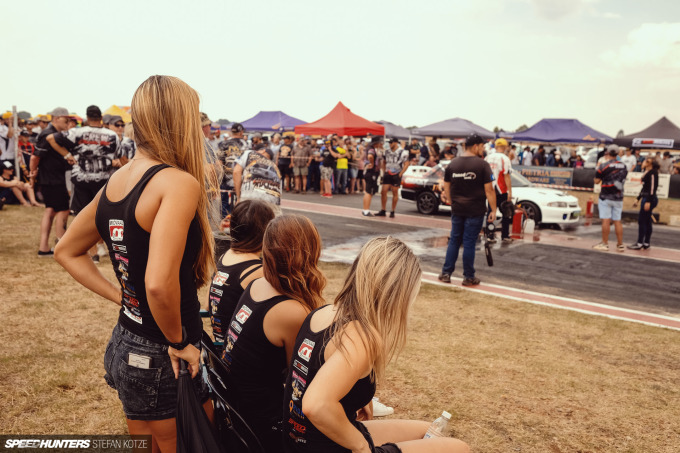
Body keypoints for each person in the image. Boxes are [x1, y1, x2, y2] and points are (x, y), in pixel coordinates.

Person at [54, 75, 217, 452]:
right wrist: (179, 342)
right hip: (164, 351)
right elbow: (158, 284)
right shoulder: (176, 182)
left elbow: (66, 250)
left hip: (127, 340)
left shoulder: (118, 179)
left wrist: (124, 298)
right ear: (180, 119)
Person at [283, 236, 470, 453]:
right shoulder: (360, 336)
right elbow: (315, 404)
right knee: (459, 448)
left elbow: (314, 374)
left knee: (429, 431)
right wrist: (362, 446)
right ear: (396, 294)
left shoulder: (323, 312)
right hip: (326, 445)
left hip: (300, 439)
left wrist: (355, 395)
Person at [222, 215, 326, 452]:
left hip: (236, 408)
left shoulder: (258, 284)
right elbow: (301, 376)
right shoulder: (291, 311)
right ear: (310, 252)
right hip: (261, 425)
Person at [48, 105, 120, 263]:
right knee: (104, 216)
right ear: (101, 118)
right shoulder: (112, 135)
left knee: (83, 216)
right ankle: (107, 249)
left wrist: (67, 155)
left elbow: (51, 138)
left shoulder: (77, 132)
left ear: (87, 118)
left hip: (82, 180)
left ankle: (93, 253)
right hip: (104, 180)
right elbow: (119, 156)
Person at [209, 199, 275, 353]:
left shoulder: (225, 256)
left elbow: (208, 304)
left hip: (219, 346)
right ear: (265, 232)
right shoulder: (257, 270)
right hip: (238, 352)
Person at [438, 133, 496, 286]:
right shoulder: (482, 165)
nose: (483, 149)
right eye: (482, 146)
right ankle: (468, 277)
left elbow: (446, 185)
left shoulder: (453, 163)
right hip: (475, 210)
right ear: (476, 146)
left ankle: (446, 273)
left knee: (454, 240)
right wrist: (493, 210)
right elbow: (489, 190)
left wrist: (451, 201)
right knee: (469, 242)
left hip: (457, 209)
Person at [29, 107, 74, 257]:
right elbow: (35, 157)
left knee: (50, 210)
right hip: (53, 179)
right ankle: (61, 246)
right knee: (63, 210)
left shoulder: (52, 133)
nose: (68, 123)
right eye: (65, 119)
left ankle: (44, 247)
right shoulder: (48, 134)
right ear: (56, 118)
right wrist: (32, 173)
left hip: (51, 178)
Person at [593, 145, 628, 252]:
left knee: (606, 220)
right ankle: (620, 244)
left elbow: (596, 181)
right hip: (618, 196)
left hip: (606, 196)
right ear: (617, 153)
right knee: (617, 221)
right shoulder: (624, 166)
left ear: (607, 152)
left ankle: (605, 243)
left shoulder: (603, 165)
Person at [233, 143, 282, 209]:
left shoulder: (249, 153)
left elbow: (236, 172)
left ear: (263, 151)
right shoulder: (274, 166)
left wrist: (238, 197)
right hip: (273, 199)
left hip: (251, 194)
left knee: (246, 213)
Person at [485, 138, 513, 243]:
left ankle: (490, 235)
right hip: (501, 189)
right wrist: (510, 192)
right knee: (506, 213)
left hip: (490, 188)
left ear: (496, 146)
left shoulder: (488, 157)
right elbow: (506, 176)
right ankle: (505, 235)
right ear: (505, 147)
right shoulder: (505, 158)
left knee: (491, 212)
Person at [628, 158, 660, 250]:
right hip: (646, 197)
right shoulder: (647, 172)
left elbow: (652, 188)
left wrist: (648, 201)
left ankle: (639, 243)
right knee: (647, 220)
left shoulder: (653, 172)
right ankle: (646, 242)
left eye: (647, 161)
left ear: (650, 164)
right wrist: (638, 198)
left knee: (642, 220)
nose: (644, 162)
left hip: (649, 199)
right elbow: (645, 187)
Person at [218, 122, 248, 216]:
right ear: (241, 132)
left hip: (225, 180)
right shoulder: (245, 144)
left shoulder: (223, 143)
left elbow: (219, 163)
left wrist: (218, 180)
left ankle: (225, 222)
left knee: (225, 207)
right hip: (240, 179)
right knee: (240, 206)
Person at [377, 138, 409, 218]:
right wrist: (384, 171)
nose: (390, 144)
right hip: (388, 173)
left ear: (396, 143)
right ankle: (383, 210)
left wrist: (400, 174)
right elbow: (384, 162)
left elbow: (406, 164)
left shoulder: (403, 152)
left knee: (395, 192)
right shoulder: (386, 151)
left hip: (396, 173)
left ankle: (392, 211)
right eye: (389, 143)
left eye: (391, 143)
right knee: (383, 191)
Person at [361, 137, 383, 217]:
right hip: (371, 172)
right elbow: (370, 156)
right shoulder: (371, 149)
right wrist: (372, 163)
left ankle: (365, 209)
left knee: (368, 191)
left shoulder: (369, 148)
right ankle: (366, 210)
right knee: (369, 192)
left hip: (369, 171)